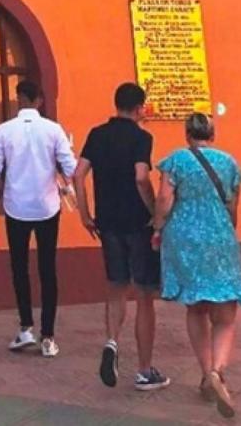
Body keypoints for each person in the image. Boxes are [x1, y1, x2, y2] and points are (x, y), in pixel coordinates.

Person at [152, 112, 241, 418]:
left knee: (196, 307)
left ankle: (207, 372)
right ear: (213, 133)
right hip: (219, 236)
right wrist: (224, 228)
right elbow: (232, 206)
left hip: (184, 239)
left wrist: (157, 228)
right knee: (225, 314)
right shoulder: (229, 162)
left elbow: (165, 199)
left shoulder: (175, 161)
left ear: (187, 134)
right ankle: (218, 372)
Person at [74, 83, 169, 391]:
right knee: (143, 295)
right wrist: (154, 211)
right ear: (139, 107)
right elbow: (141, 176)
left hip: (108, 222)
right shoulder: (142, 137)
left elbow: (78, 174)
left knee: (116, 287)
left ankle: (112, 342)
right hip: (137, 223)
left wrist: (85, 214)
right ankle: (143, 371)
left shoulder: (97, 134)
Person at [0, 79, 76, 357]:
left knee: (19, 267)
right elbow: (70, 166)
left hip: (16, 207)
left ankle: (25, 328)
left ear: (18, 98)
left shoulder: (4, 130)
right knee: (48, 269)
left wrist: (8, 192)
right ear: (39, 100)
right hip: (47, 206)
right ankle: (48, 337)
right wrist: (59, 182)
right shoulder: (53, 130)